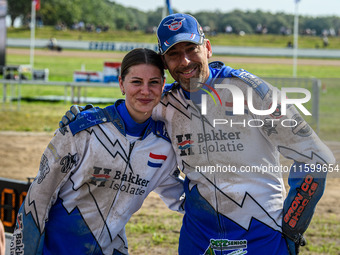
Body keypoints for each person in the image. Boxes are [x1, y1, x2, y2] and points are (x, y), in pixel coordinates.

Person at [60, 14, 335, 255]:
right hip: (199, 239)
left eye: (191, 49)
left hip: (261, 234)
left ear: (208, 48)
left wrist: (291, 226)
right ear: (165, 62)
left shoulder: (252, 93)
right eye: (174, 54)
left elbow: (316, 157)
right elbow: (129, 111)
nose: (185, 61)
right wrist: (87, 116)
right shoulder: (164, 105)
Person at [10, 48, 184, 255]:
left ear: (163, 85)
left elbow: (182, 197)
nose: (145, 91)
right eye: (136, 82)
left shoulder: (164, 145)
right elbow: (37, 200)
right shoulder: (82, 129)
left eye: (153, 82)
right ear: (121, 83)